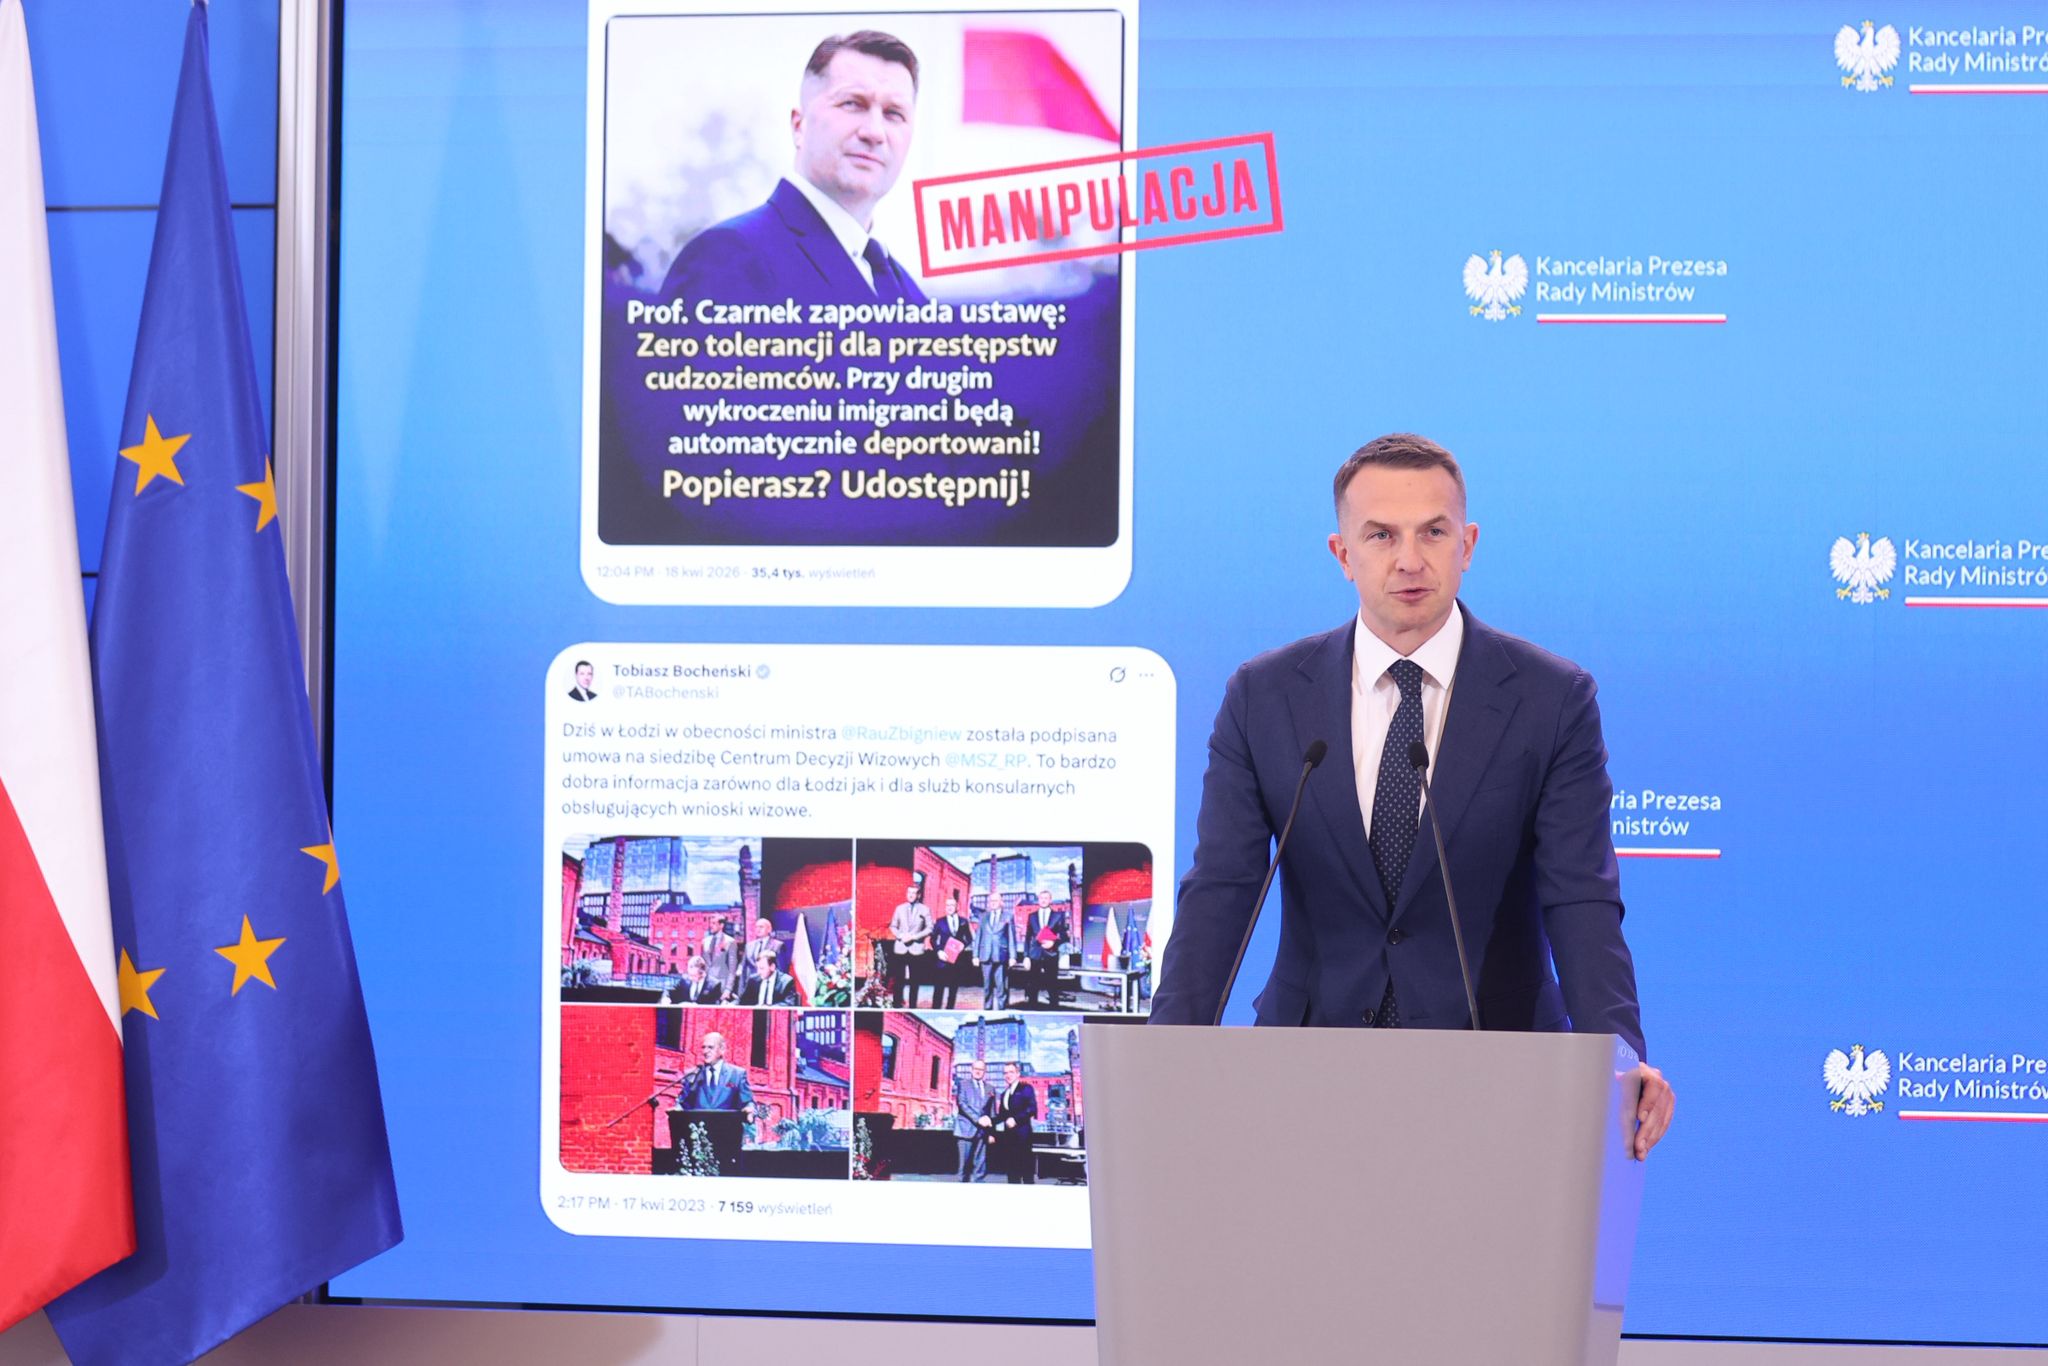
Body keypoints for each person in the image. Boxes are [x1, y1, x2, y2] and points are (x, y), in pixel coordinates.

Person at [1149, 433, 1675, 1158]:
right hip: (1306, 1076)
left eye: (1433, 532)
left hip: (1501, 1077)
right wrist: (1163, 1059)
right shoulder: (1264, 698)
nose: (1409, 559)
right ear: (1342, 553)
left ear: (1468, 544)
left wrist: (1619, 1061)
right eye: (1381, 536)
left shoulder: (1551, 700)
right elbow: (1221, 891)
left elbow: (1581, 901)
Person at [660, 31, 928, 306]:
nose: (874, 132)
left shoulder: (912, 297)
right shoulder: (728, 260)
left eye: (894, 113)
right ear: (799, 127)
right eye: (852, 104)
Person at [674, 1033, 754, 1114]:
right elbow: (682, 1103)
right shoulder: (693, 1074)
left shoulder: (737, 1074)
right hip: (699, 1121)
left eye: (710, 1047)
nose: (705, 1051)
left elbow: (748, 1103)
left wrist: (749, 1109)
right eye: (703, 1047)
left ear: (722, 1049)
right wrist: (677, 1109)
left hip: (726, 1121)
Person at [987, 1061, 1038, 1184]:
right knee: (1012, 1173)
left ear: (1018, 1074)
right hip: (1009, 1138)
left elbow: (1032, 1109)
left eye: (1011, 1072)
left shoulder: (1026, 1088)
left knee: (1026, 1174)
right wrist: (989, 1122)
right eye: (1005, 1073)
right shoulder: (1004, 1094)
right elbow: (1002, 1116)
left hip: (1023, 1137)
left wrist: (1016, 1119)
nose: (1008, 1075)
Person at [888, 878, 933, 1008]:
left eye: (914, 893)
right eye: (909, 893)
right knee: (898, 979)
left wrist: (914, 937)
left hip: (916, 948)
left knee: (915, 980)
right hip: (900, 947)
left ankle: (913, 1005)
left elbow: (930, 928)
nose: (911, 895)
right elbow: (893, 926)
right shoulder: (899, 908)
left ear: (919, 895)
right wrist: (901, 936)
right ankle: (897, 1004)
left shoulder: (925, 910)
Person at [1020, 902, 1070, 1008]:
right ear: (1039, 900)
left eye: (1046, 898)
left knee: (1052, 984)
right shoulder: (1032, 916)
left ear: (1050, 900)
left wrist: (1054, 942)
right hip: (1035, 953)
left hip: (1051, 953)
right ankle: (1032, 1007)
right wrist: (1026, 956)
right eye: (1042, 898)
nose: (1043, 900)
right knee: (1033, 983)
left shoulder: (1058, 915)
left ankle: (1054, 1008)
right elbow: (1028, 937)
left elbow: (1064, 936)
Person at [952, 1058, 993, 1182]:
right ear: (971, 1070)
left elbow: (992, 1112)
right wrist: (978, 1119)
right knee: (963, 1168)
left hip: (983, 1132)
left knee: (980, 1168)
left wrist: (991, 1133)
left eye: (981, 1069)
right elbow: (962, 1104)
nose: (978, 1071)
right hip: (965, 1130)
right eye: (976, 1069)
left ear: (985, 1071)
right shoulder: (963, 1084)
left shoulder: (990, 1088)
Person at [930, 889, 972, 1010]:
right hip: (943, 960)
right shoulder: (940, 922)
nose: (949, 907)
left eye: (952, 905)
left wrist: (963, 945)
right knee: (939, 988)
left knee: (953, 989)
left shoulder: (963, 921)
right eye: (947, 905)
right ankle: (936, 1008)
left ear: (957, 907)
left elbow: (969, 938)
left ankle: (950, 1007)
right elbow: (933, 939)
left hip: (957, 960)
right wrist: (939, 951)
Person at [973, 892, 1014, 1011]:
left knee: (1001, 986)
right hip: (985, 955)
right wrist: (975, 955)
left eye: (996, 901)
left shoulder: (1008, 916)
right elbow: (978, 937)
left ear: (1001, 902)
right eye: (991, 901)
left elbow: (1011, 937)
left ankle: (1002, 1009)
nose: (993, 903)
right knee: (987, 986)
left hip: (1001, 956)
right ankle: (987, 1009)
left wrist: (1013, 957)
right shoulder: (983, 917)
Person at [700, 920, 742, 1000]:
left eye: (714, 923)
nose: (711, 926)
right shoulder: (705, 941)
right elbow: (703, 965)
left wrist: (728, 989)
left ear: (721, 925)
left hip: (722, 986)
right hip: (707, 987)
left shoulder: (730, 942)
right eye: (710, 923)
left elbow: (732, 969)